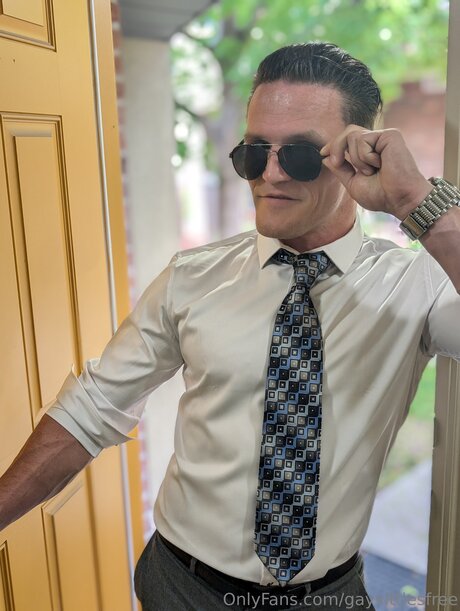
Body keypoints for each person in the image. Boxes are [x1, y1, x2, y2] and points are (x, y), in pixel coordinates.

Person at [1, 42, 460, 611]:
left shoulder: (418, 285)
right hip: (179, 585)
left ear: (355, 157)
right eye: (253, 152)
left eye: (299, 155)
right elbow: (92, 409)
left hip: (326, 596)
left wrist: (415, 199)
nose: (269, 174)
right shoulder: (192, 278)